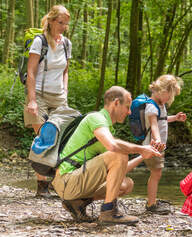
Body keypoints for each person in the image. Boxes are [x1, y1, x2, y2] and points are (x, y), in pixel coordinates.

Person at [51, 86, 163, 224]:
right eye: (127, 107)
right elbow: (114, 147)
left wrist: (144, 155)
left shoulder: (106, 128)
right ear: (116, 103)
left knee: (126, 184)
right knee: (119, 153)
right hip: (66, 180)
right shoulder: (96, 118)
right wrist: (141, 149)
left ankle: (77, 203)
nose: (129, 112)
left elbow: (118, 169)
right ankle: (109, 212)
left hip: (73, 182)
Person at [24, 5, 72, 198]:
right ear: (51, 21)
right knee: (44, 138)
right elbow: (31, 72)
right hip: (39, 95)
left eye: (66, 24)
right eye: (60, 22)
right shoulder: (40, 41)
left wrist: (65, 92)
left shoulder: (66, 43)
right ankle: (41, 186)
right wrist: (33, 100)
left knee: (60, 139)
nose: (63, 26)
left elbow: (66, 71)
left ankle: (54, 183)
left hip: (59, 96)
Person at [142, 74, 187, 214]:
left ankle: (152, 200)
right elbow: (154, 125)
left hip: (157, 146)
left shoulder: (159, 104)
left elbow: (163, 119)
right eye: (170, 96)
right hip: (154, 146)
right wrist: (158, 140)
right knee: (156, 173)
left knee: (156, 173)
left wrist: (175, 118)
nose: (169, 100)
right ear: (163, 91)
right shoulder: (151, 106)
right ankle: (151, 204)